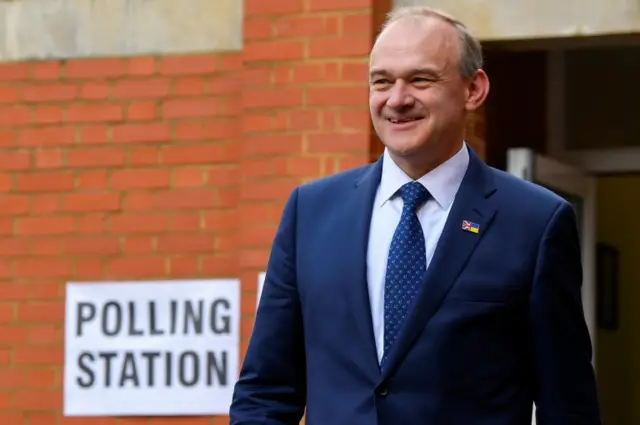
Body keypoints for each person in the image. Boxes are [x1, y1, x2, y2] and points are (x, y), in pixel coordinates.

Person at [229, 5, 601, 425]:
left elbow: (567, 406)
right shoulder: (311, 213)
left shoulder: (535, 222)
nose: (397, 99)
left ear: (473, 90)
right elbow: (264, 392)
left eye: (420, 80)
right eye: (382, 82)